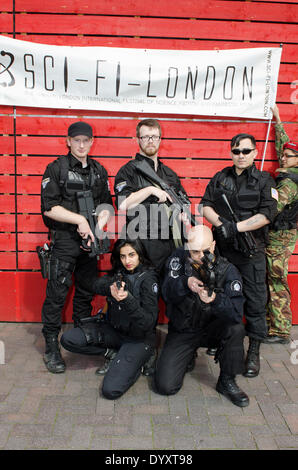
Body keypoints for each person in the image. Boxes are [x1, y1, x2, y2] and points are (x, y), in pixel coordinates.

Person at [200, 133, 278, 378]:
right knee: (221, 295)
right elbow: (205, 205)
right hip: (223, 251)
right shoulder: (221, 177)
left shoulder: (265, 180)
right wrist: (222, 224)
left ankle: (253, 351)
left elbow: (268, 214)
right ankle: (221, 340)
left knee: (254, 301)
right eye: (236, 151)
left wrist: (237, 228)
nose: (241, 155)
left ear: (255, 152)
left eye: (246, 151)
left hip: (251, 251)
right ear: (231, 152)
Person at [40, 121, 113, 374]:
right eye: (77, 140)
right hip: (64, 241)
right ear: (68, 141)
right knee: (57, 295)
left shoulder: (99, 170)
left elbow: (107, 204)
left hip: (90, 242)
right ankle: (51, 345)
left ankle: (82, 339)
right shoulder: (56, 168)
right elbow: (49, 207)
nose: (82, 145)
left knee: (85, 291)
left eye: (86, 140)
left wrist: (99, 222)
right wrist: (80, 220)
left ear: (92, 142)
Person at [154, 225, 249, 407]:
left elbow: (236, 314)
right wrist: (185, 282)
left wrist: (215, 299)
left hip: (212, 329)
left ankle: (227, 381)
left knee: (236, 329)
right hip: (184, 330)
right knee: (165, 386)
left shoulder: (228, 270)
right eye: (194, 251)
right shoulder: (177, 261)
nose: (199, 257)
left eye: (205, 251)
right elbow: (165, 292)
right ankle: (188, 356)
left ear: (213, 245)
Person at [60, 238, 159, 400]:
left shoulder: (149, 279)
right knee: (68, 339)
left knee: (110, 390)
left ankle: (142, 359)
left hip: (138, 338)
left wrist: (127, 300)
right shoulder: (119, 272)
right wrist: (110, 288)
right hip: (114, 331)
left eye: (132, 255)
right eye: (123, 256)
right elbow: (96, 284)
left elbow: (148, 322)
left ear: (140, 255)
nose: (127, 261)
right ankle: (111, 353)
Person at [114, 118, 191, 274]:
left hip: (171, 243)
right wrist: (149, 190)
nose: (150, 141)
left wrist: (184, 215)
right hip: (142, 245)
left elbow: (184, 202)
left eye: (154, 137)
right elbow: (122, 204)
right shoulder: (128, 171)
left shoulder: (169, 174)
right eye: (145, 137)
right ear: (138, 140)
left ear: (160, 139)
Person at [264, 105, 298, 344]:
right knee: (271, 279)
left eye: (288, 157)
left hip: (280, 237)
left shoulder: (289, 183)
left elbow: (274, 210)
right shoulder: (289, 170)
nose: (282, 157)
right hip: (280, 236)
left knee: (276, 280)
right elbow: (283, 145)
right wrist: (277, 119)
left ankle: (281, 330)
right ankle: (272, 325)